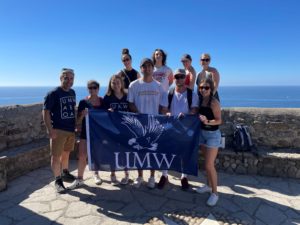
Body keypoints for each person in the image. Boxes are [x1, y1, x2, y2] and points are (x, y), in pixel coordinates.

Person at [128, 58, 168, 189]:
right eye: (144, 66)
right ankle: (140, 176)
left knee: (152, 153)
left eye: (150, 66)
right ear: (141, 69)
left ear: (152, 68)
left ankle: (151, 177)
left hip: (153, 124)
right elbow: (131, 103)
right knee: (139, 151)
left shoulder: (159, 86)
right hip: (139, 124)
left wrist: (162, 117)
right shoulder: (133, 85)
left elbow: (163, 105)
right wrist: (139, 114)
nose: (147, 68)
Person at [157, 69, 198, 190]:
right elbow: (163, 109)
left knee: (184, 153)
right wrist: (168, 113)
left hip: (185, 129)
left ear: (185, 78)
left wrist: (186, 115)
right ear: (173, 78)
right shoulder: (168, 93)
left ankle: (183, 176)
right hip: (171, 128)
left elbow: (195, 109)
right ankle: (165, 175)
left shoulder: (192, 94)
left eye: (181, 76)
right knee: (166, 152)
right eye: (177, 77)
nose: (179, 79)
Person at [43, 68, 76, 193]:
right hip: (58, 130)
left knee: (66, 153)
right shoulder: (53, 93)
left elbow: (73, 109)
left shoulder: (72, 92)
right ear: (61, 78)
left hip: (70, 129)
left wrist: (76, 124)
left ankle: (65, 173)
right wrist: (50, 130)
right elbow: (45, 112)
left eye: (71, 78)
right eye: (66, 78)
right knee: (56, 156)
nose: (69, 81)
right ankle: (58, 180)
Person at [69, 80, 104, 189]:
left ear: (98, 89)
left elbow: (106, 115)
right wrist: (82, 115)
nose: (92, 90)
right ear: (88, 89)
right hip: (85, 132)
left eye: (95, 88)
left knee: (96, 155)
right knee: (82, 155)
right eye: (90, 88)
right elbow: (78, 121)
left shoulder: (102, 101)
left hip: (98, 133)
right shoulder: (83, 102)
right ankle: (80, 179)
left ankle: (96, 174)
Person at [195, 77, 222, 207]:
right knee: (207, 163)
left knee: (209, 165)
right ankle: (207, 185)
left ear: (211, 89)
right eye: (201, 88)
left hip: (212, 135)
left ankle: (215, 193)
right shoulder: (200, 100)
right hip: (202, 135)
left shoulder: (214, 102)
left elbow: (219, 120)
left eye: (206, 87)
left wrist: (207, 121)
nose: (203, 90)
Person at [103, 75, 130, 185]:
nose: (116, 85)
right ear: (110, 84)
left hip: (125, 130)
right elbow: (102, 112)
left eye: (118, 82)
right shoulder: (107, 97)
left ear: (121, 83)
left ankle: (126, 174)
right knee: (113, 152)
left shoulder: (127, 96)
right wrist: (107, 111)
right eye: (113, 83)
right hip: (112, 130)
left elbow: (132, 109)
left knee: (124, 153)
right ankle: (113, 174)